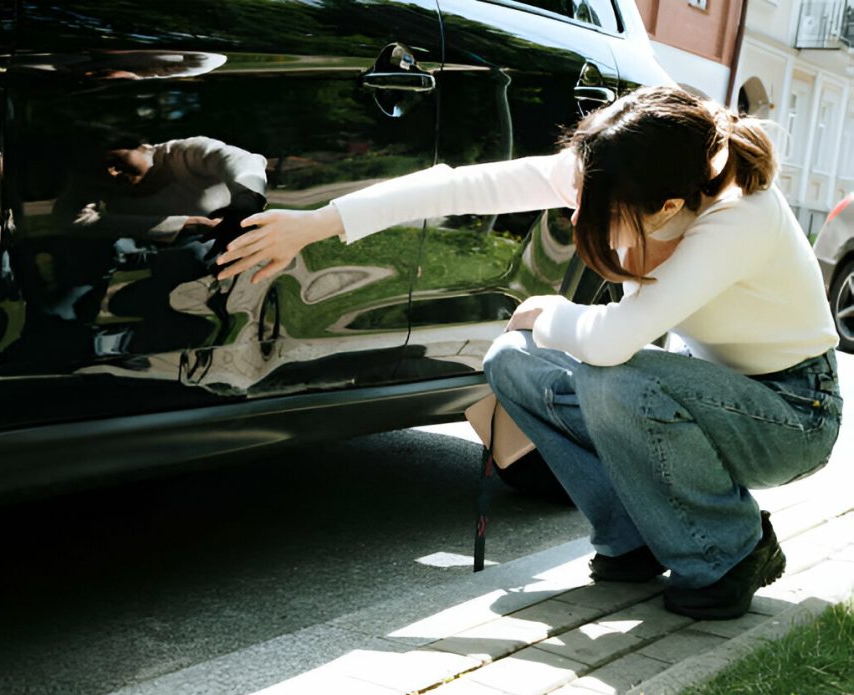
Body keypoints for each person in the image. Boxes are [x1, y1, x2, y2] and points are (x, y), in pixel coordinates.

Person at [214, 86, 843, 620]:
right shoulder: (627, 171)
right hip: (696, 391)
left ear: (670, 207)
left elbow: (613, 340)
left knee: (609, 376)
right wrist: (321, 221)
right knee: (511, 360)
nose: (579, 217)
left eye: (595, 212)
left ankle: (730, 552)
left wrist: (550, 310)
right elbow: (464, 186)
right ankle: (635, 540)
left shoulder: (738, 218)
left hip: (791, 411)